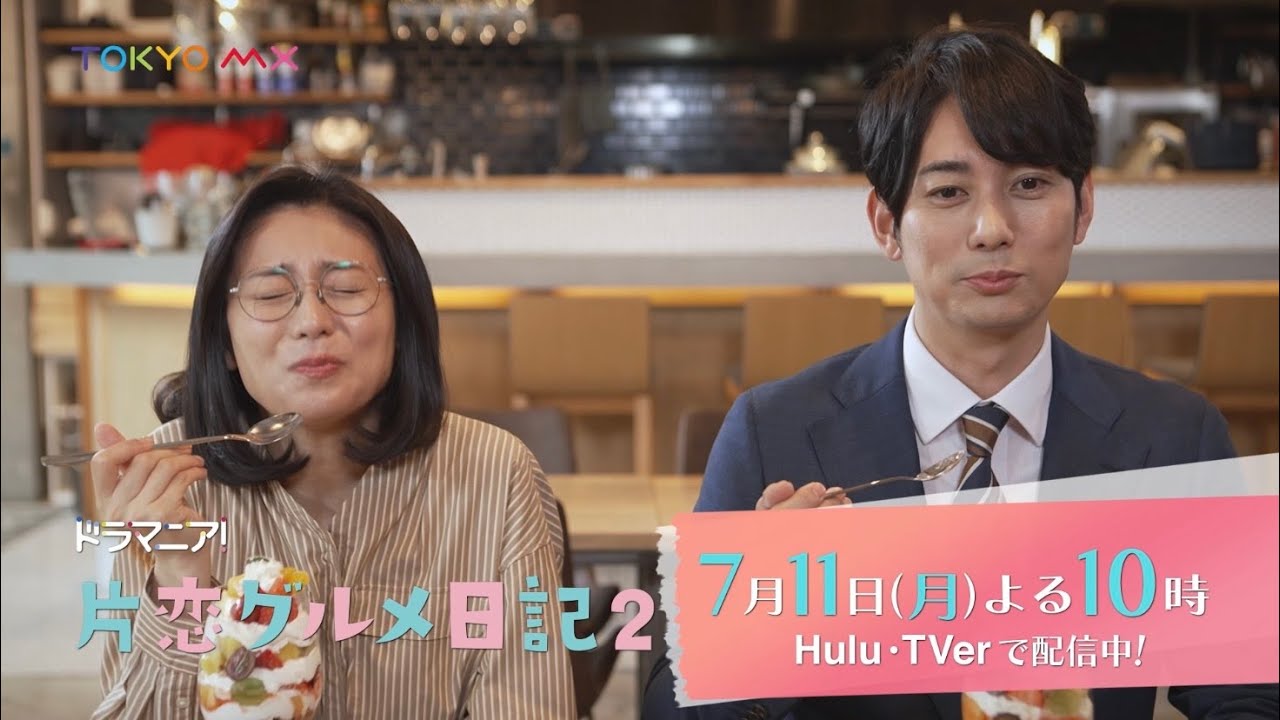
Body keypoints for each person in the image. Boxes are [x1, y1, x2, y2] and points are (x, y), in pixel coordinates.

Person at [642, 23, 1279, 720]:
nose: (992, 228)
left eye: (1029, 184)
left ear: (1083, 208)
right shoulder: (774, 432)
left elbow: (1249, 697)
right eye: (949, 192)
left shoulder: (1175, 440)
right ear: (886, 223)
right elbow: (671, 703)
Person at [90, 165, 576, 719]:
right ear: (223, 340)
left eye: (345, 289)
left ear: (403, 320)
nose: (312, 321)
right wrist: (181, 580)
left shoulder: (495, 473)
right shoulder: (163, 487)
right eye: (271, 294)